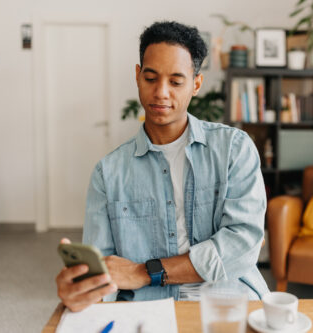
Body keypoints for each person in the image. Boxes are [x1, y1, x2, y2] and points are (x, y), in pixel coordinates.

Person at [55, 21, 269, 312]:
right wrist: (81, 291)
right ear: (137, 76)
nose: (161, 93)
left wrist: (145, 272)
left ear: (196, 84)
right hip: (148, 309)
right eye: (151, 78)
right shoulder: (108, 173)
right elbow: (104, 272)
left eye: (176, 81)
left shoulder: (234, 149)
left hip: (229, 301)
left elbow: (242, 244)